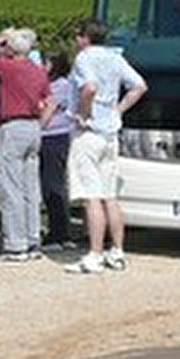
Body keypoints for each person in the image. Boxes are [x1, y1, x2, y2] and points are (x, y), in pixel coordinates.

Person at [64, 19, 149, 275]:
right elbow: (139, 86)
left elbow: (89, 87)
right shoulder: (114, 57)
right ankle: (117, 251)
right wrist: (117, 110)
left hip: (89, 132)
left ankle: (95, 254)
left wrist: (83, 113)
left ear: (84, 38)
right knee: (109, 195)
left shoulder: (83, 59)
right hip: (110, 132)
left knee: (91, 197)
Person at [0, 28, 52, 262]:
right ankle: (32, 238)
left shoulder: (9, 67)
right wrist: (41, 124)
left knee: (10, 185)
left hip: (13, 125)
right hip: (33, 127)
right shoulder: (38, 71)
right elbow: (49, 101)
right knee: (30, 187)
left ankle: (15, 243)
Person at [40, 50, 78, 251]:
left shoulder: (61, 86)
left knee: (53, 184)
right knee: (49, 184)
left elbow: (48, 111)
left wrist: (36, 128)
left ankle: (60, 232)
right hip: (49, 136)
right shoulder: (50, 85)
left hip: (55, 136)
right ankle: (57, 231)